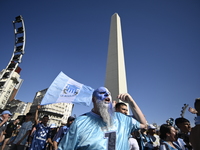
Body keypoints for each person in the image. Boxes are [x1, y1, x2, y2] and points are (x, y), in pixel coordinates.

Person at [58, 86, 147, 150]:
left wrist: (131, 102)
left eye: (109, 94)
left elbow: (143, 123)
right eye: (102, 93)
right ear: (93, 100)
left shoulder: (122, 119)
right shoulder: (79, 123)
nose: (107, 95)